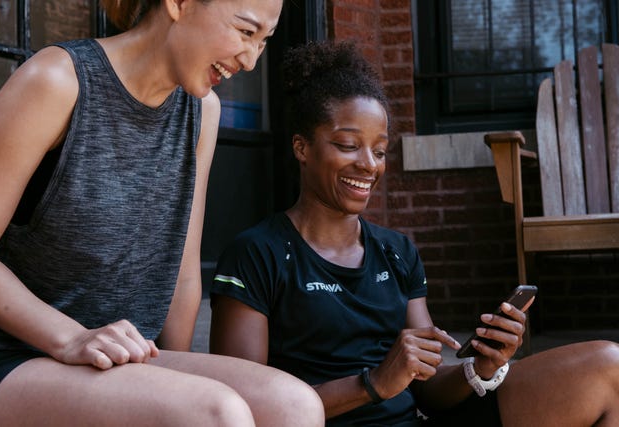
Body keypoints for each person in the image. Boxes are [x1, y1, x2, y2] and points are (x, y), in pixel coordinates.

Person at [209, 40, 619, 427]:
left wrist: (481, 366)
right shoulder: (256, 254)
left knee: (608, 366)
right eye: (348, 145)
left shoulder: (396, 251)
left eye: (380, 150)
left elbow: (427, 389)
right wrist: (374, 383)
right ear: (302, 148)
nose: (369, 165)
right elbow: (246, 407)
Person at [0, 1, 326, 426]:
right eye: (245, 31)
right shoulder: (58, 79)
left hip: (121, 358)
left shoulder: (203, 111)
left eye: (264, 42)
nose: (252, 60)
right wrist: (70, 337)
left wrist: (180, 372)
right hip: (5, 355)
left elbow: (181, 269)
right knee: (219, 413)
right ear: (178, 4)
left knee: (295, 404)